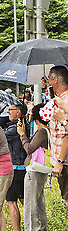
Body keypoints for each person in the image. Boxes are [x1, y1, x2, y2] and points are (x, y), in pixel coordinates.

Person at [17, 103, 49, 231]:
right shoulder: (47, 131)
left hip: (34, 170)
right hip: (40, 170)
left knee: (30, 203)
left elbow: (29, 148)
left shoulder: (41, 132)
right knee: (39, 201)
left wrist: (22, 135)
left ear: (36, 119)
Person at [4, 103, 29, 231]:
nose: (8, 112)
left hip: (15, 168)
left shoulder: (15, 128)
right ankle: (31, 229)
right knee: (24, 199)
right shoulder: (24, 125)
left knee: (11, 201)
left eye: (10, 110)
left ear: (18, 112)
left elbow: (1, 138)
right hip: (23, 167)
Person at [48, 65, 68, 209]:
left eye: (49, 78)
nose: (48, 82)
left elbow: (66, 135)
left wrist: (60, 161)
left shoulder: (64, 102)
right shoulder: (59, 100)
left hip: (65, 162)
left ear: (56, 80)